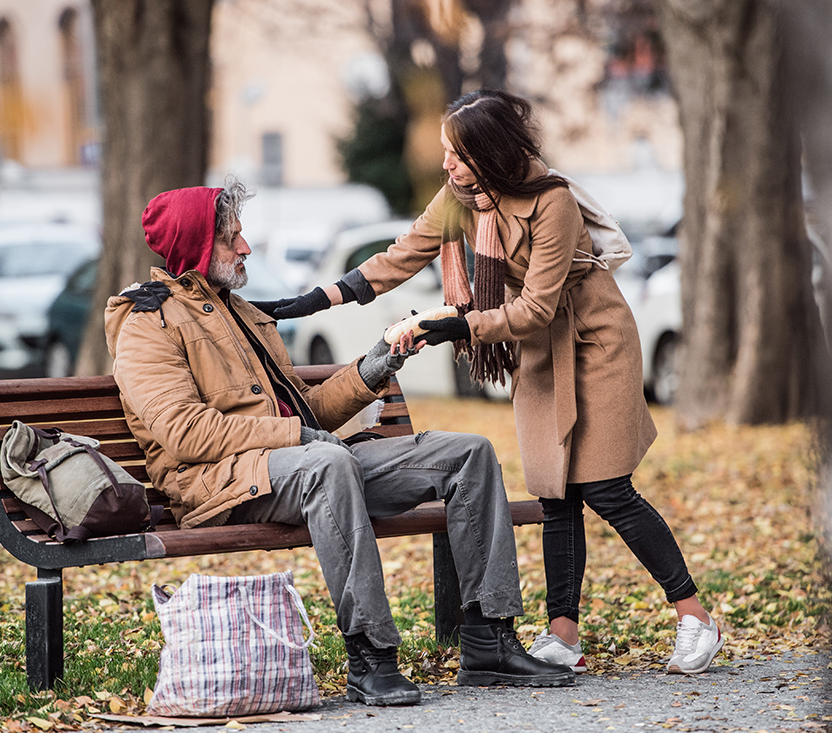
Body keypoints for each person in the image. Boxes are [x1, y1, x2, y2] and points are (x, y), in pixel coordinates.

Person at [255, 89, 724, 676]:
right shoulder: (460, 199)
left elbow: (535, 308)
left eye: (457, 154)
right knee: (556, 496)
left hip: (591, 344)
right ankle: (563, 635)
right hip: (537, 356)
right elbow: (399, 258)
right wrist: (302, 303)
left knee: (606, 488)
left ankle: (695, 616)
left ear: (490, 153)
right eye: (447, 153)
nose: (446, 165)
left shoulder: (551, 201)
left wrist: (454, 324)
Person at [104, 179, 575, 708]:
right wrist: (297, 435)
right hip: (219, 484)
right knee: (328, 463)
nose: (246, 247)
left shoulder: (241, 312)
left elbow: (307, 411)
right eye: (232, 237)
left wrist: (376, 365)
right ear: (194, 246)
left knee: (467, 453)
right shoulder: (147, 320)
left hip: (301, 465)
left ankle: (489, 642)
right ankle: (370, 656)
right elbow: (184, 432)